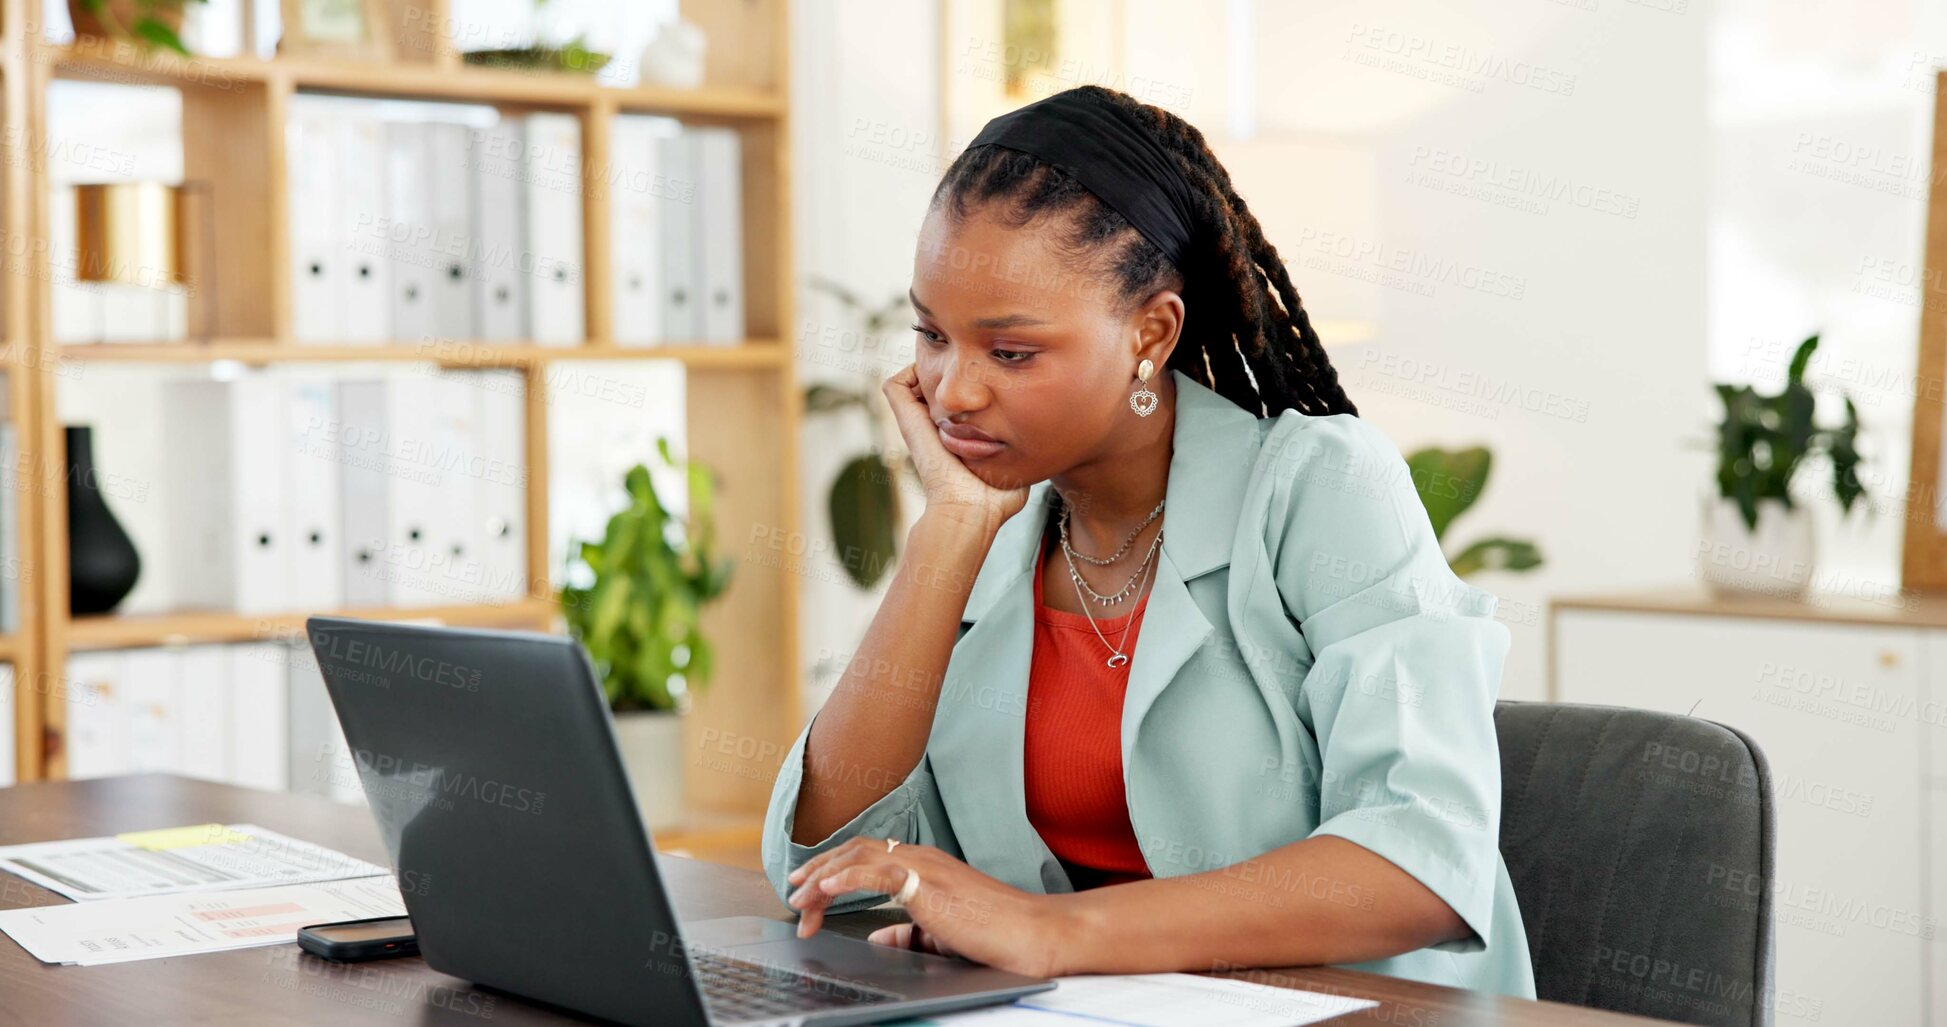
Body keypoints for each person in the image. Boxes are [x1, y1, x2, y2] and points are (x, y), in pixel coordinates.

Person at [761, 85, 1535, 997]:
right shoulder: (994, 531)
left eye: (1010, 353)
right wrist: (948, 533)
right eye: (931, 334)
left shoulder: (1318, 486)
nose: (952, 392)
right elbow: (824, 873)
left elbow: (1422, 856)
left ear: (1150, 332)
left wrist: (1050, 933)